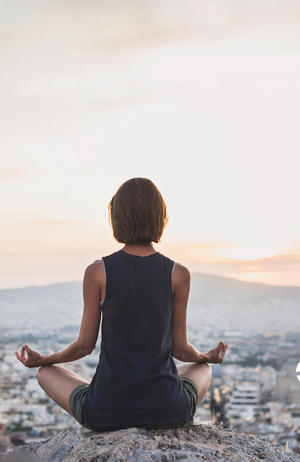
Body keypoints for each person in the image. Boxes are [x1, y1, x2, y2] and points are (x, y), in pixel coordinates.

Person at [15, 177, 228, 432]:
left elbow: (84, 346)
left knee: (45, 373)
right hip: (168, 409)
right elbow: (180, 351)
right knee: (200, 368)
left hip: (106, 411)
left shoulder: (98, 272)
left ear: (117, 218)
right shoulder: (178, 274)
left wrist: (45, 360)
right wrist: (207, 357)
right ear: (161, 218)